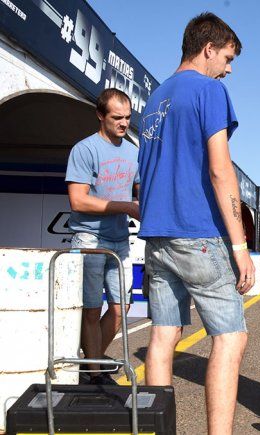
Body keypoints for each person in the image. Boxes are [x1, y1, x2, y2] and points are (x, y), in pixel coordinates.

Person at [137, 12, 254, 434]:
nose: (228, 68)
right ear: (208, 49)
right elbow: (221, 170)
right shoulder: (208, 91)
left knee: (164, 334)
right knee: (230, 337)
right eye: (227, 57)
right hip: (198, 233)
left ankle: (156, 429)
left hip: (157, 233)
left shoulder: (154, 98)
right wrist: (240, 247)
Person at [66, 88, 140, 385]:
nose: (124, 123)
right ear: (100, 115)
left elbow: (141, 194)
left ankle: (90, 361)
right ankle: (95, 374)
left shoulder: (134, 151)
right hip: (89, 239)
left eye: (128, 117)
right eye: (117, 117)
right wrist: (127, 207)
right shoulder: (84, 149)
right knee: (92, 309)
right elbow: (78, 201)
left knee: (123, 308)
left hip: (120, 240)